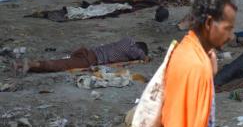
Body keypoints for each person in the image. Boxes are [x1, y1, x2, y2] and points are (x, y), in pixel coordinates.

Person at [15, 37, 148, 74]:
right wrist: (145, 58)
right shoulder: (131, 47)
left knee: (60, 62)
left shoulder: (125, 40)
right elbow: (140, 55)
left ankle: (23, 65)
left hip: (88, 52)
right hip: (89, 59)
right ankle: (30, 64)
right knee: (60, 65)